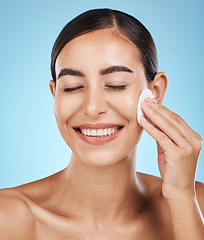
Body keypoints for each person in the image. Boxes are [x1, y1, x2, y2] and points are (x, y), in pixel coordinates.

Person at [0, 8, 203, 239]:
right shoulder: (7, 217)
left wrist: (183, 197)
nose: (92, 107)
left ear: (154, 92)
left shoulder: (195, 205)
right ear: (55, 94)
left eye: (116, 85)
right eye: (72, 87)